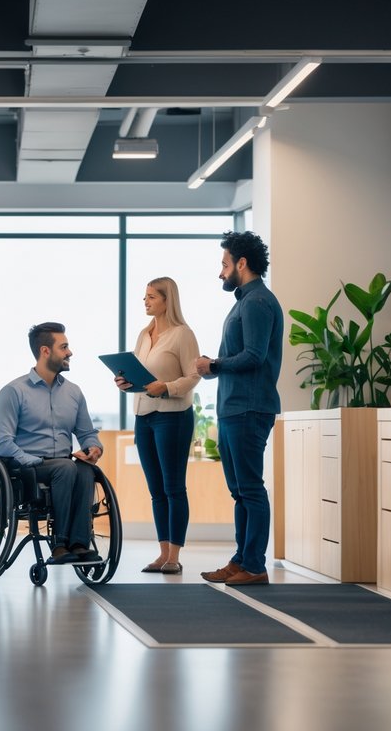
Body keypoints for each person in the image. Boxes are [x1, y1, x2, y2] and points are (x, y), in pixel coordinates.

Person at [195, 231, 283, 586]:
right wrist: (213, 367)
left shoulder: (257, 301)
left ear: (241, 263)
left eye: (224, 264)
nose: (221, 272)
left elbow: (254, 356)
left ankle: (255, 566)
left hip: (249, 407)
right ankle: (241, 560)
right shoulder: (244, 301)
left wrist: (214, 365)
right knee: (240, 491)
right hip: (234, 407)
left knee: (249, 488)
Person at [0, 322, 104, 565]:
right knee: (66, 467)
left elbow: (87, 432)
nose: (70, 352)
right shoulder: (13, 391)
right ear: (45, 351)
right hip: (26, 467)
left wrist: (93, 448)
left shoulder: (74, 392)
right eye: (64, 347)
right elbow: (2, 443)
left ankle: (79, 544)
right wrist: (33, 460)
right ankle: (60, 544)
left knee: (85, 470)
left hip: (63, 465)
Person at [114, 277, 200, 574]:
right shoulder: (144, 334)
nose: (145, 301)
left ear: (167, 300)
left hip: (172, 416)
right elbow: (141, 374)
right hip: (144, 416)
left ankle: (174, 556)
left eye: (151, 296)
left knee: (173, 488)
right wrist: (125, 382)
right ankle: (163, 554)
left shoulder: (183, 334)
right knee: (156, 490)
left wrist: (167, 387)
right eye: (145, 296)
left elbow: (193, 376)